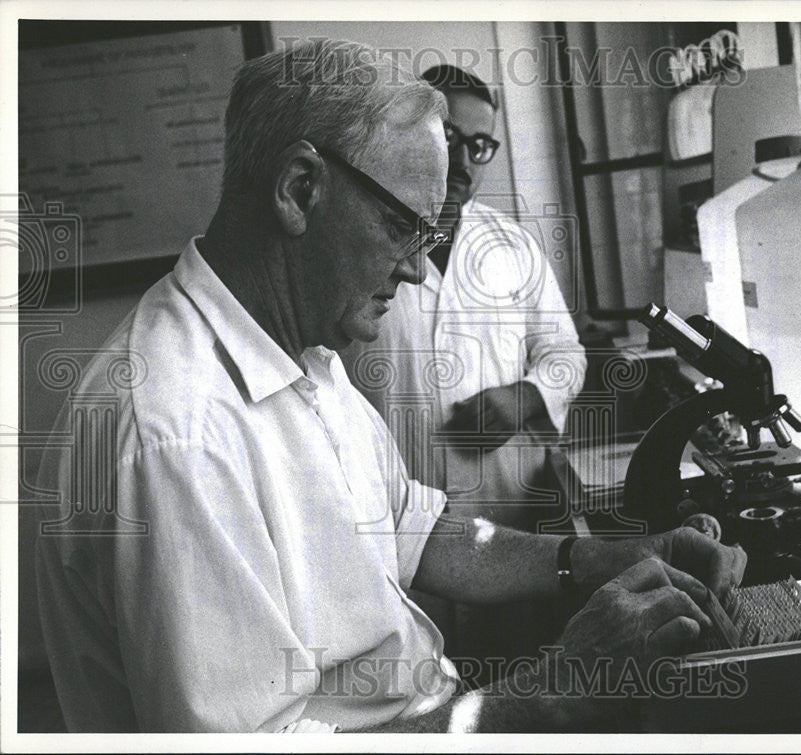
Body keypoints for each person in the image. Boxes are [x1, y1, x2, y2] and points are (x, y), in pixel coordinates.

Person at [33, 39, 746, 733]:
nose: (415, 269)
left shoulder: (306, 353)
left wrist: (601, 556)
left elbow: (418, 528)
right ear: (299, 189)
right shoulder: (176, 433)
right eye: (403, 224)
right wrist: (557, 687)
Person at [341, 64, 588, 668]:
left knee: (517, 684)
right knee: (422, 693)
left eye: (481, 146)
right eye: (450, 138)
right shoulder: (358, 247)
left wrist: (524, 398)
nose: (465, 161)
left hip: (508, 522)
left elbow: (566, 355)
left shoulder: (512, 246)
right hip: (392, 538)